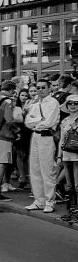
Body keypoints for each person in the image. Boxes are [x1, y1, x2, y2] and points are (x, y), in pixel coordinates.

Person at [23, 79, 60, 214]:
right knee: (35, 169)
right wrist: (38, 122)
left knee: (47, 170)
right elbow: (27, 121)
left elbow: (49, 122)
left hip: (46, 137)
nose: (40, 90)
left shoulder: (53, 103)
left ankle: (50, 201)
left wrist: (36, 122)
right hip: (36, 136)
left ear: (49, 88)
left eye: (43, 87)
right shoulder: (34, 103)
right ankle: (39, 201)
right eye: (38, 87)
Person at [56, 95, 78, 224]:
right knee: (70, 186)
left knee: (77, 185)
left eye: (76, 103)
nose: (73, 106)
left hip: (77, 157)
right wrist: (59, 156)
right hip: (66, 156)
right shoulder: (64, 121)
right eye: (70, 103)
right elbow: (61, 141)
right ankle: (72, 210)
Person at [12, 87, 33, 191]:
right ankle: (22, 177)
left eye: (26, 95)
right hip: (19, 131)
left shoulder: (31, 105)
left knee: (27, 155)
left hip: (29, 131)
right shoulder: (16, 106)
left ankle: (27, 177)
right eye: (22, 95)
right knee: (20, 154)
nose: (24, 97)